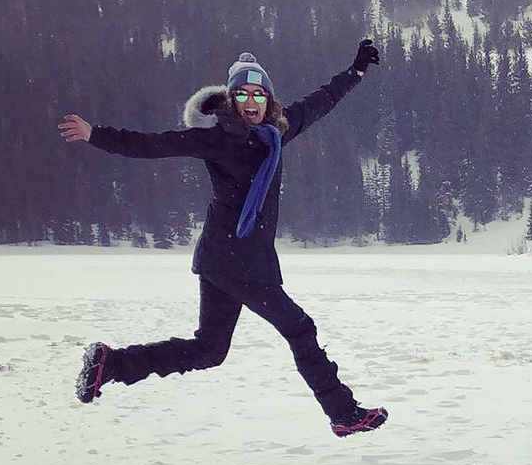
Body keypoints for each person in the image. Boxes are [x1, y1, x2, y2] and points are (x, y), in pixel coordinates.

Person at [58, 40, 387, 438]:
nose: (251, 103)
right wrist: (95, 134)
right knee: (300, 329)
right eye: (243, 95)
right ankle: (343, 413)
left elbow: (322, 100)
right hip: (239, 261)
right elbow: (152, 144)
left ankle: (110, 365)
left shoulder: (277, 134)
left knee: (209, 351)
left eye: (258, 95)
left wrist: (355, 71)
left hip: (222, 258)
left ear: (268, 100)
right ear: (232, 100)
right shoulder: (217, 138)